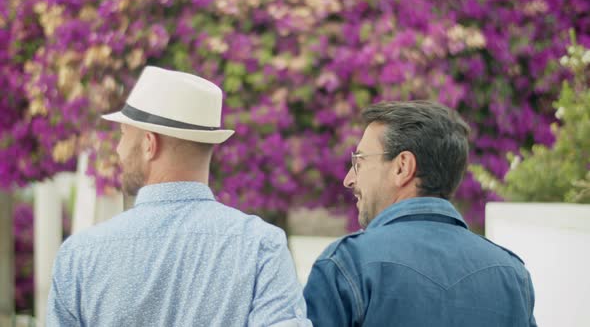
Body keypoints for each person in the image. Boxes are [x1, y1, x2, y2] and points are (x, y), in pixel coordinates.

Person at [47, 66, 311, 326]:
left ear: (150, 144)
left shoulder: (80, 255)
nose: (118, 149)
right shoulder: (261, 246)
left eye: (123, 135)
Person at [303, 100, 536, 326]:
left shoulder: (347, 264)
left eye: (360, 162)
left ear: (402, 167)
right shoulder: (512, 275)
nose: (349, 179)